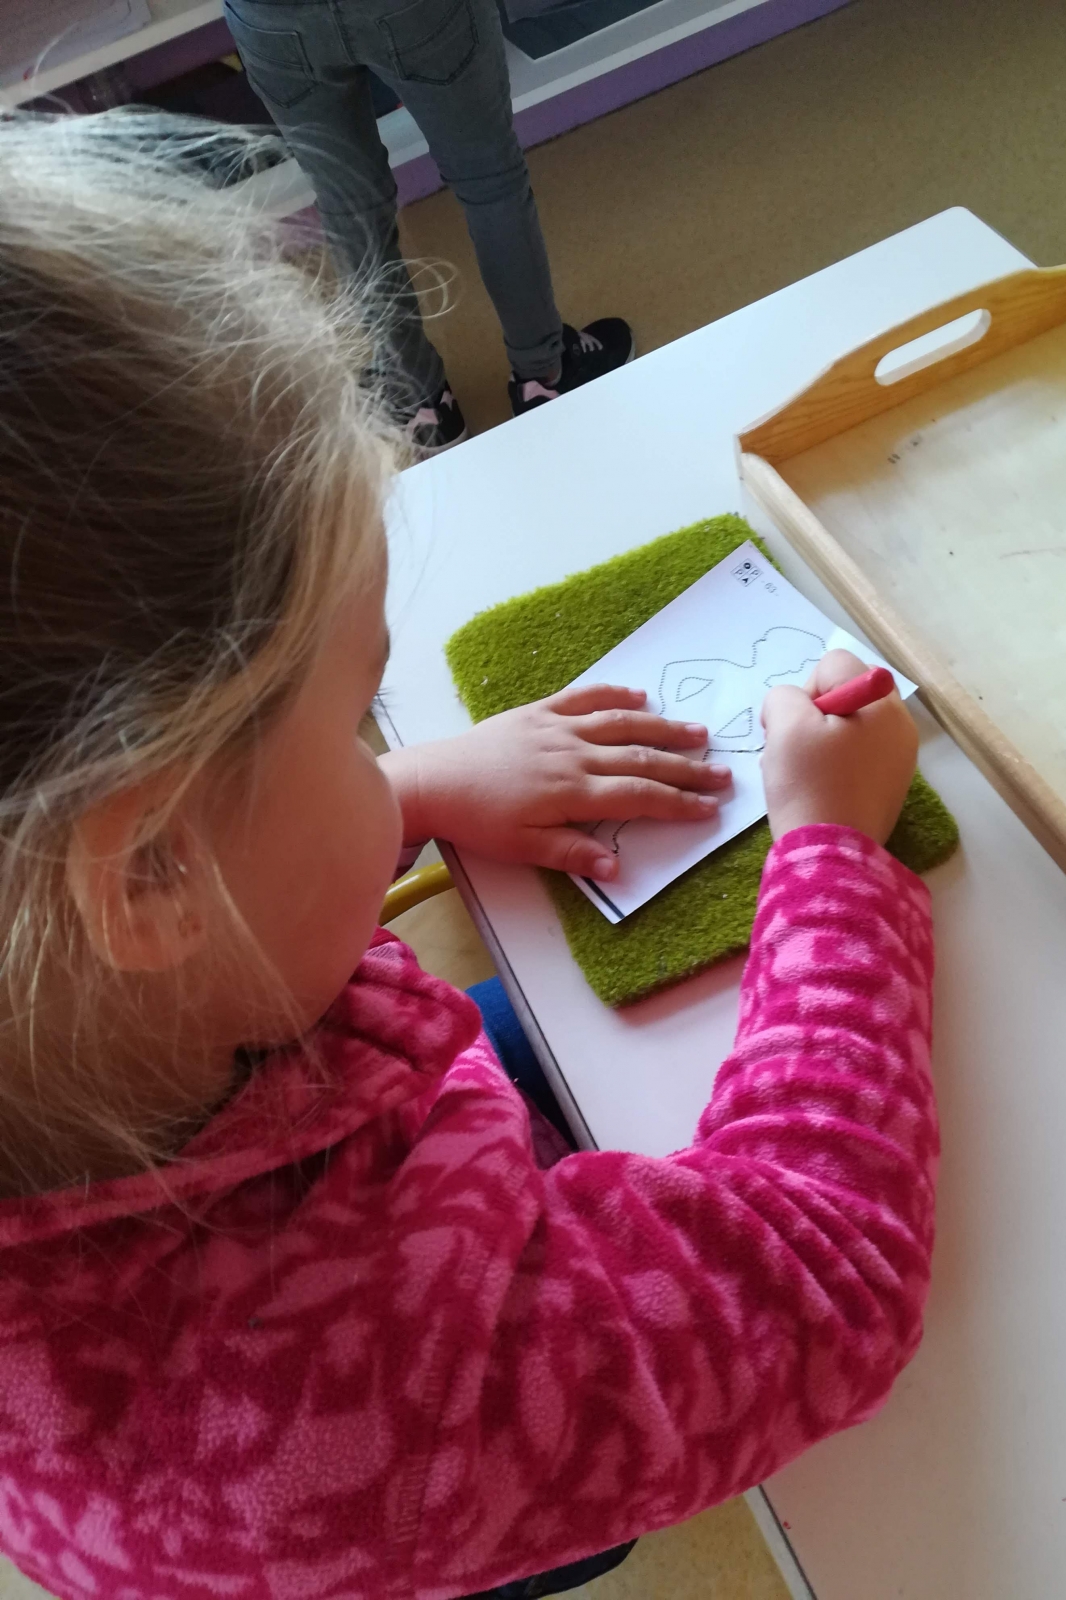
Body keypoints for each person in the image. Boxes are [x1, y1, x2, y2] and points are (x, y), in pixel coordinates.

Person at [0, 112, 936, 1600]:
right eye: (355, 717)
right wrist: (826, 853)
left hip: (344, 1132)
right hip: (460, 1482)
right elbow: (824, 1277)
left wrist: (416, 785)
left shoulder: (97, 995)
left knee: (522, 1039)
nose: (384, 742)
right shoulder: (375, 1403)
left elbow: (224, 903)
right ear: (153, 876)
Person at [222, 0, 634, 456]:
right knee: (489, 180)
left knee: (349, 207)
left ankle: (421, 404)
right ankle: (544, 374)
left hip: (273, 17)